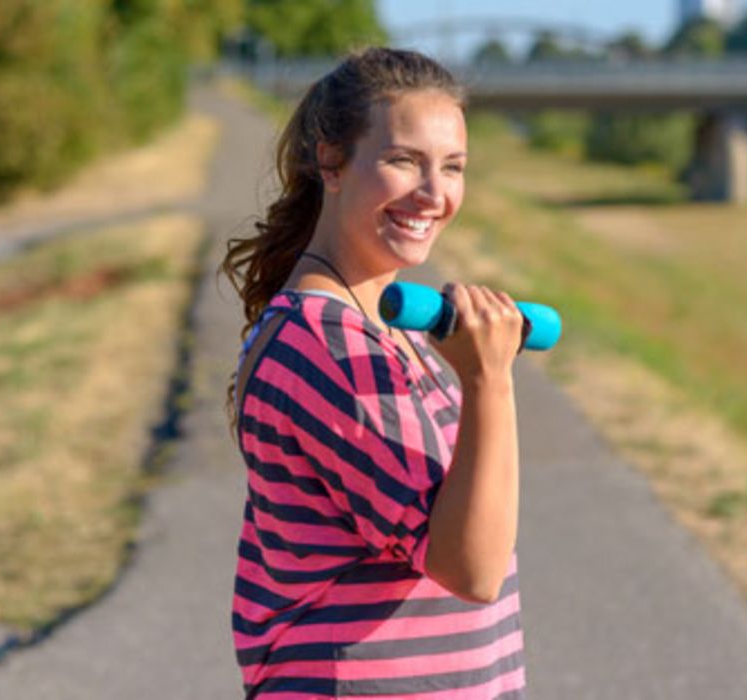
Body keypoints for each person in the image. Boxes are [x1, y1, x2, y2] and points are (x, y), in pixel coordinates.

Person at [219, 47, 527, 698]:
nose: (435, 194)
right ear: (331, 161)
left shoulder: (374, 328)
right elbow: (471, 568)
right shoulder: (323, 346)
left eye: (452, 168)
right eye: (402, 161)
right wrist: (488, 381)